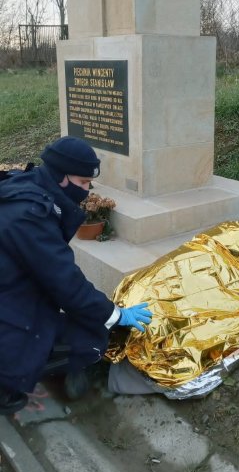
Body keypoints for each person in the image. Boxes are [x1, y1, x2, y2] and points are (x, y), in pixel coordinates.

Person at [0, 136, 152, 415]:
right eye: (82, 183)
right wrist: (116, 315)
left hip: (11, 295)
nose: (87, 190)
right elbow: (65, 282)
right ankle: (7, 386)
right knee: (91, 336)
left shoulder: (27, 187)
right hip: (8, 313)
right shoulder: (29, 216)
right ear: (60, 177)